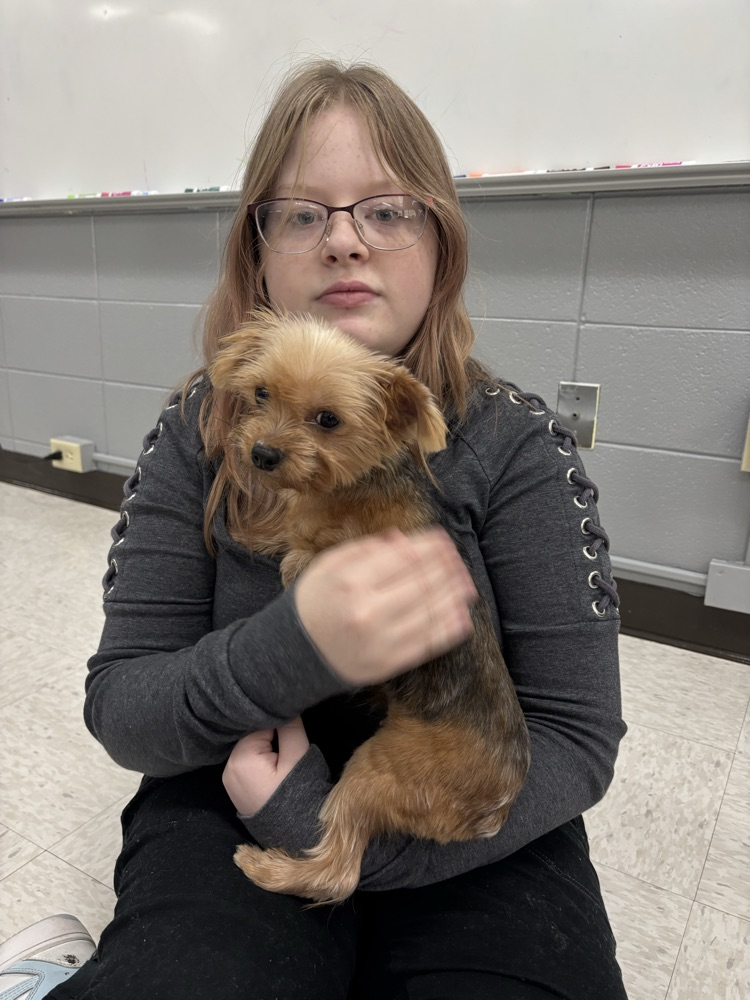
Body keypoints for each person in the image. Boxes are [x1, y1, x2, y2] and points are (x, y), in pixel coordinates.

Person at [0, 59, 628, 1000]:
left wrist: (338, 843)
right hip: (229, 786)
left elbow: (575, 738)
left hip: (474, 816)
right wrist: (294, 648)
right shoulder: (195, 430)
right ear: (256, 253)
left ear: (441, 245)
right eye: (302, 214)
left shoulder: (517, 444)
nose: (344, 243)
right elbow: (124, 707)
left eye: (386, 209)